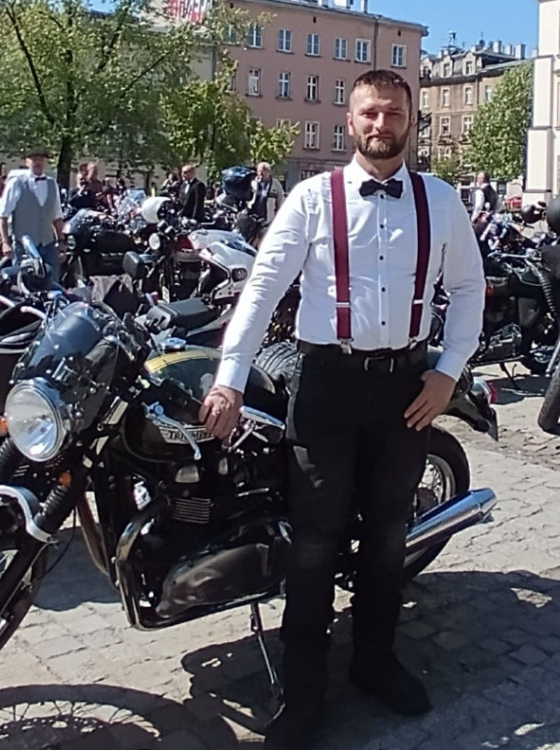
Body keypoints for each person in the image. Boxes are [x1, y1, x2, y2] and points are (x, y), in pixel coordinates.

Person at [198, 69, 485, 749]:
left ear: (411, 122)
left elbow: (470, 289)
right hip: (326, 384)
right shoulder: (311, 198)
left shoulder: (441, 201)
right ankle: (304, 690)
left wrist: (448, 372)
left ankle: (374, 660)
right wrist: (230, 379)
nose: (381, 125)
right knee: (313, 541)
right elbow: (262, 289)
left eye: (393, 113)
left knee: (387, 533)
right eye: (369, 114)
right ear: (349, 122)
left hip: (405, 389)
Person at [0, 146, 65, 283]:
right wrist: (5, 242)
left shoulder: (52, 184)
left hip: (48, 243)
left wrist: (61, 241)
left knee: (52, 282)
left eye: (41, 159)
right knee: (25, 283)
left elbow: (57, 216)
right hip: (24, 245)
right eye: (34, 159)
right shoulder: (17, 183)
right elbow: (3, 215)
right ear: (27, 162)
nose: (37, 162)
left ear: (45, 162)